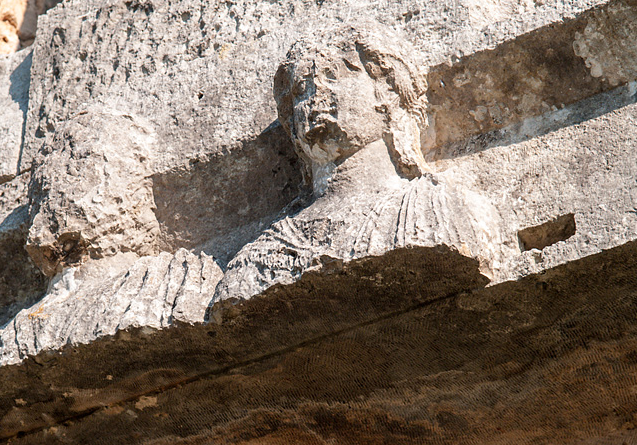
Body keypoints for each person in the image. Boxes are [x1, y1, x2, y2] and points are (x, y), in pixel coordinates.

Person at [212, 20, 502, 308]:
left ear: (387, 91)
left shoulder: (438, 210)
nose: (316, 96)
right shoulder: (262, 252)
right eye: (302, 88)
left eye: (334, 75)